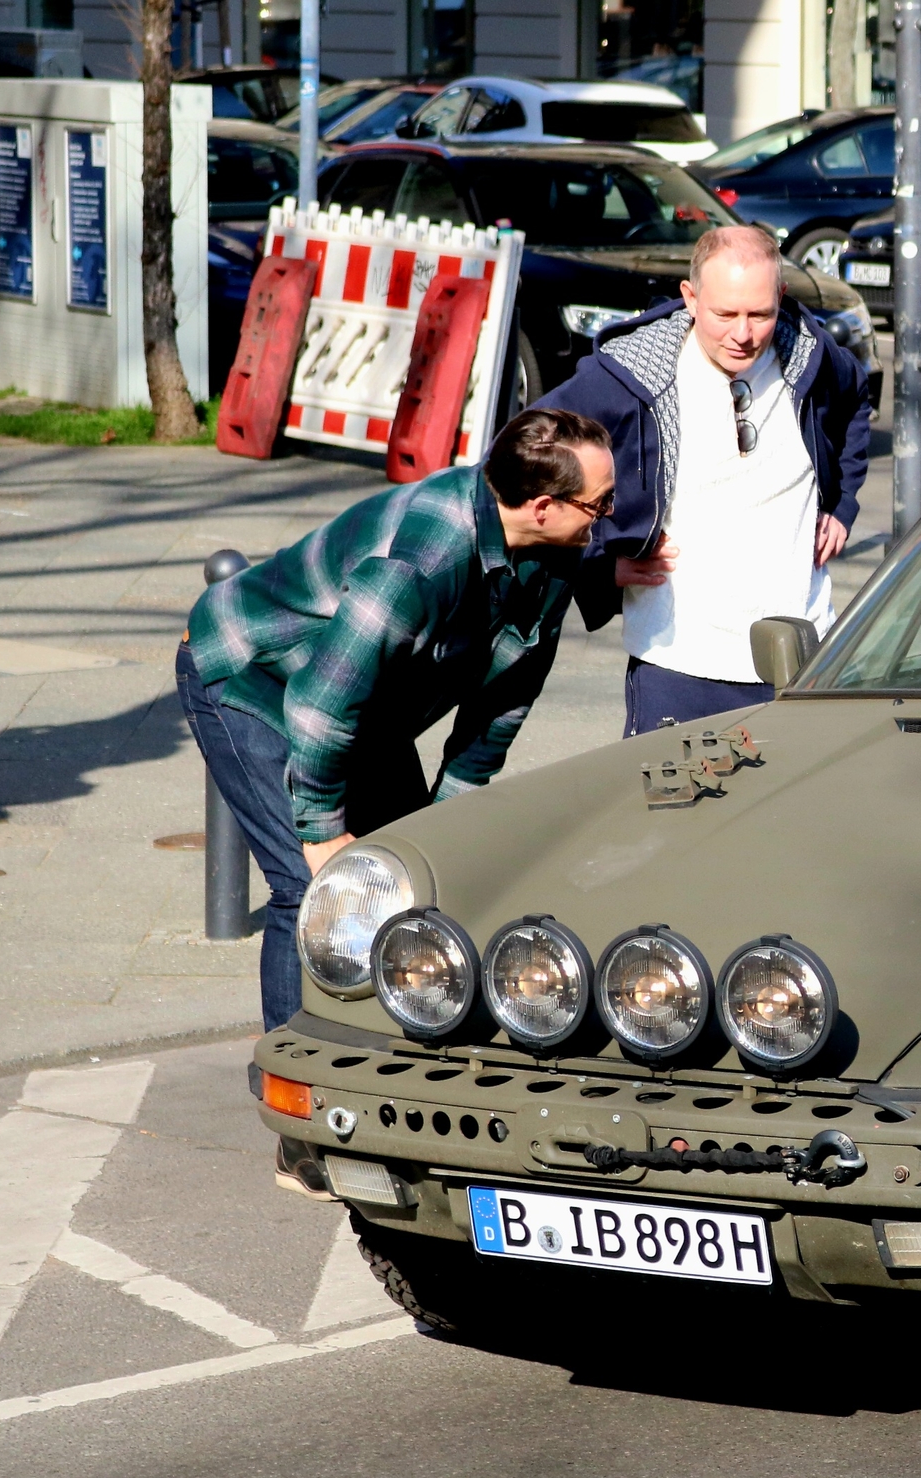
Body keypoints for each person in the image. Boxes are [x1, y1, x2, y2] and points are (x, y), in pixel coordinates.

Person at [177, 407, 616, 1031]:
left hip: (362, 698)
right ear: (543, 507)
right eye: (599, 506)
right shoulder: (424, 556)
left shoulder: (556, 553)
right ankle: (296, 1087)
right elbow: (321, 705)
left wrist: (453, 811)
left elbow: (507, 697)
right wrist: (322, 831)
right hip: (257, 675)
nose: (606, 520)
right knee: (314, 891)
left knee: (413, 872)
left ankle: (397, 1045)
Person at [539, 223, 879, 735]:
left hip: (800, 658)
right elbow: (527, 455)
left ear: (781, 297)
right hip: (678, 661)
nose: (742, 334)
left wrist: (842, 505)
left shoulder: (812, 356)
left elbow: (856, 401)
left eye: (760, 314)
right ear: (691, 298)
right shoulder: (632, 374)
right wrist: (595, 560)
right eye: (725, 314)